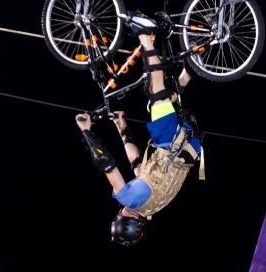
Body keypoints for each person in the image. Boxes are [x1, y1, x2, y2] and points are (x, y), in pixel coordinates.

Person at [77, 15, 203, 246]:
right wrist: (86, 132)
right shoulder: (128, 198)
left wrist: (122, 129)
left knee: (163, 99)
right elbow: (106, 163)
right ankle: (145, 34)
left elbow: (137, 164)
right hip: (170, 141)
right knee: (156, 93)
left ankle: (192, 66)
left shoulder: (150, 205)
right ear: (122, 219)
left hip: (188, 143)